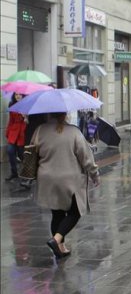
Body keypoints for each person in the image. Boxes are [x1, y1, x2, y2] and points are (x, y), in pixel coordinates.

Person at [35, 112, 99, 258]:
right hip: (70, 180)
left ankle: (61, 247)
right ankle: (56, 240)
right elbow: (86, 158)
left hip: (47, 179)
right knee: (75, 212)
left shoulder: (40, 130)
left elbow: (33, 152)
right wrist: (95, 175)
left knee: (57, 213)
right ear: (65, 115)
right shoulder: (74, 132)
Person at [5, 93, 27, 181]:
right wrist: (8, 132)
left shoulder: (27, 104)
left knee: (22, 155)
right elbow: (11, 120)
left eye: (20, 95)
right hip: (13, 132)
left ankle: (26, 175)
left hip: (22, 132)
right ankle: (14, 173)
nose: (18, 96)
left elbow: (28, 121)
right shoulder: (11, 104)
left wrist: (25, 117)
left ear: (23, 96)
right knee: (10, 151)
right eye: (16, 95)